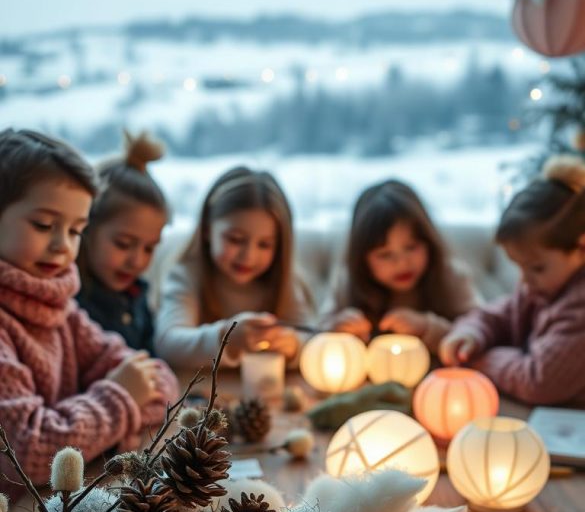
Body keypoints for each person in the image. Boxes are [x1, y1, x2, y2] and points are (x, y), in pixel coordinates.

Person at [0, 128, 178, 492]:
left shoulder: (59, 307)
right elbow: (30, 454)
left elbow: (161, 383)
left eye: (75, 229)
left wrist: (95, 428)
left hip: (62, 501)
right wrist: (120, 399)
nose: (62, 245)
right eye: (44, 225)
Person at [439, 156, 585, 405]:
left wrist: (477, 358)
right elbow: (501, 314)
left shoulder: (579, 308)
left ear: (581, 247)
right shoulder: (541, 288)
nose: (525, 280)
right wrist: (471, 335)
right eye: (519, 267)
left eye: (536, 268)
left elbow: (539, 382)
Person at [154, 166, 313, 369]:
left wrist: (293, 345)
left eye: (264, 244)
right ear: (207, 230)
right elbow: (168, 345)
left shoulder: (285, 282)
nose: (249, 256)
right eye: (235, 239)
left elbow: (313, 343)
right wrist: (226, 338)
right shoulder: (187, 276)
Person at [321, 179, 477, 353]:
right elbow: (317, 335)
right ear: (361, 258)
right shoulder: (347, 282)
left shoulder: (451, 276)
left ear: (429, 242)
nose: (402, 263)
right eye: (385, 255)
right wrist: (336, 328)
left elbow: (479, 332)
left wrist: (426, 327)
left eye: (411, 247)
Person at [77, 130, 168, 351]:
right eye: (124, 244)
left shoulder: (137, 295)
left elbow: (151, 357)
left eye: (149, 248)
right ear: (86, 228)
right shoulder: (73, 304)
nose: (137, 261)